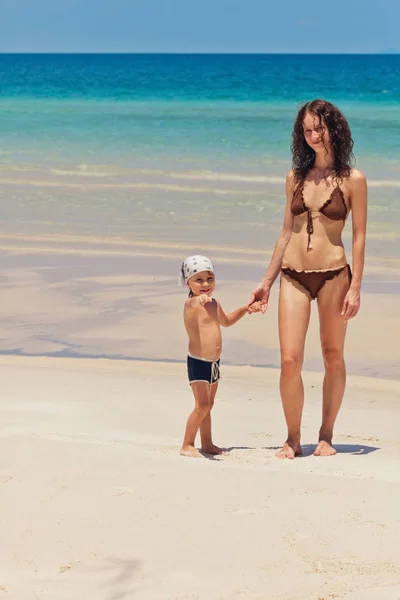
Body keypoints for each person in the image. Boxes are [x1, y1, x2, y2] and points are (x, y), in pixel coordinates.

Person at [250, 99, 367, 459]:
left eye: (319, 127)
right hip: (293, 275)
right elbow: (286, 232)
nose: (313, 135)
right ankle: (292, 437)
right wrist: (267, 280)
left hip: (335, 275)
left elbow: (360, 236)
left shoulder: (353, 180)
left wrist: (357, 286)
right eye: (306, 129)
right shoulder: (295, 177)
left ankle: (326, 434)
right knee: (289, 360)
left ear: (334, 129)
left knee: (333, 355)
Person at [180, 255, 262, 458]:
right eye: (198, 280)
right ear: (188, 282)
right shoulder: (191, 304)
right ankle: (187, 444)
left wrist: (245, 308)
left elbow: (226, 322)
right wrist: (198, 298)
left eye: (210, 278)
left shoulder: (214, 303)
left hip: (214, 363)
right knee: (202, 405)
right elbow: (193, 306)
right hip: (198, 362)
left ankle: (206, 443)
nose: (205, 284)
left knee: (209, 405)